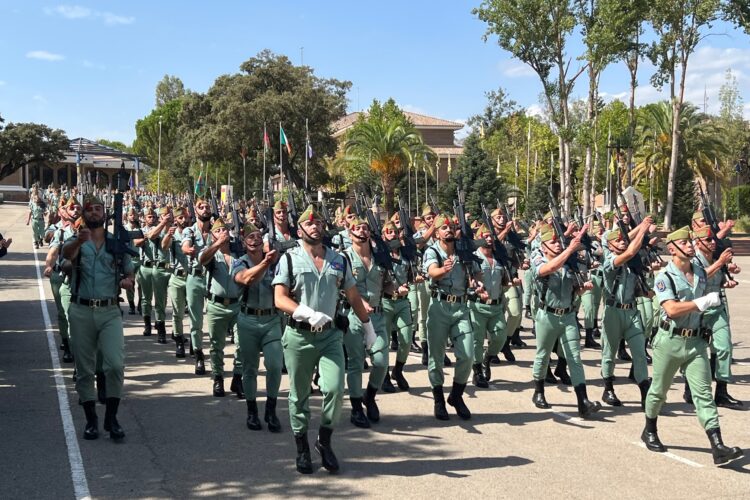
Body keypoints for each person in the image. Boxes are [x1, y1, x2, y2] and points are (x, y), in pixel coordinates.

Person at [273, 204, 374, 474]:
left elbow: (352, 296)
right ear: (300, 229)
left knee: (334, 389)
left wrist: (368, 326)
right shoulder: (290, 259)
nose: (315, 226)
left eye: (318, 223)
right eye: (310, 223)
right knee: (299, 395)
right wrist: (304, 312)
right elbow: (280, 298)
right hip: (299, 337)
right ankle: (302, 447)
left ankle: (324, 441)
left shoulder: (338, 260)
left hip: (329, 336)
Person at [641, 226, 742, 465]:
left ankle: (718, 447)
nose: (690, 245)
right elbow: (671, 309)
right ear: (673, 250)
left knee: (704, 394)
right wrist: (701, 302)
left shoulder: (698, 270)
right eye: (685, 243)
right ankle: (650, 429)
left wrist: (723, 282)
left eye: (690, 242)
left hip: (696, 341)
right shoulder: (664, 277)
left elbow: (709, 277)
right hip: (670, 341)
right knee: (658, 391)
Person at [62, 194, 135, 441]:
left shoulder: (116, 243)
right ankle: (91, 420)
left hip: (109, 311)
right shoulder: (76, 241)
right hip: (81, 310)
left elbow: (130, 272)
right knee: (84, 369)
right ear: (83, 214)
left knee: (114, 364)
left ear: (105, 213)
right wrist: (78, 243)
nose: (94, 212)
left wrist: (128, 281)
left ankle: (111, 418)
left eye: (98, 209)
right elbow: (65, 257)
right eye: (89, 209)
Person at [529, 224, 602, 418]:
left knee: (575, 358)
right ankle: (539, 391)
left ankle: (583, 401)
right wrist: (570, 248)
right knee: (543, 355)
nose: (557, 245)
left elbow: (573, 288)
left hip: (568, 316)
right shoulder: (538, 258)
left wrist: (583, 288)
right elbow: (549, 269)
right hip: (547, 316)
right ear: (543, 246)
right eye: (552, 242)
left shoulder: (569, 263)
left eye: (558, 242)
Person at [422, 213, 485, 421]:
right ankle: (438, 399)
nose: (448, 230)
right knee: (436, 356)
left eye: (451, 227)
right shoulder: (432, 251)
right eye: (444, 228)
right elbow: (431, 271)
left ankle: (456, 396)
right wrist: (443, 269)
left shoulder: (464, 251)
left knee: (467, 354)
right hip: (439, 306)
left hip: (461, 306)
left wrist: (478, 283)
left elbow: (476, 272)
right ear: (437, 233)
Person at [342, 216, 396, 428]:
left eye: (365, 228)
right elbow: (339, 286)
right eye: (358, 228)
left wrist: (396, 290)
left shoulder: (380, 256)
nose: (362, 231)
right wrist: (359, 301)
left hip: (378, 316)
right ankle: (356, 409)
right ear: (350, 233)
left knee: (381, 362)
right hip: (354, 317)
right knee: (355, 363)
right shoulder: (344, 258)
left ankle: (370, 396)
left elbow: (388, 283)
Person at [598, 219, 654, 408]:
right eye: (619, 240)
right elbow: (630, 251)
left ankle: (645, 392)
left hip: (632, 311)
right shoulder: (609, 261)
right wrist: (642, 231)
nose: (623, 242)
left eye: (625, 239)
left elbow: (637, 287)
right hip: (613, 313)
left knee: (639, 352)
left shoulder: (633, 264)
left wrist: (646, 291)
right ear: (610, 245)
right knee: (609, 352)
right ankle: (608, 389)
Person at [232, 222, 283, 432]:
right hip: (248, 320)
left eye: (257, 237)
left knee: (274, 366)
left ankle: (270, 410)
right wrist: (266, 263)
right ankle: (252, 412)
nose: (254, 240)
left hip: (271, 320)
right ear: (244, 243)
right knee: (250, 368)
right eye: (249, 237)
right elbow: (246, 278)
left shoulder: (276, 263)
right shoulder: (239, 262)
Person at [690, 226, 742, 409]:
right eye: (709, 240)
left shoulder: (715, 257)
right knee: (695, 350)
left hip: (716, 309)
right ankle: (690, 387)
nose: (713, 243)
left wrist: (727, 280)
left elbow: (717, 279)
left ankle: (721, 391)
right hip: (698, 310)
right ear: (698, 242)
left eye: (713, 240)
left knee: (724, 347)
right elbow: (699, 278)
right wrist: (720, 263)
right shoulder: (692, 260)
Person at [198, 219, 243, 397]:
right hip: (217, 305)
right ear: (212, 235)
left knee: (243, 344)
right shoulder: (211, 253)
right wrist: (217, 243)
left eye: (225, 230)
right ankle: (218, 377)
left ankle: (237, 378)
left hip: (237, 305)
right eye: (219, 231)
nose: (223, 233)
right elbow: (202, 259)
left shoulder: (238, 253)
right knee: (217, 345)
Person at [44, 197, 82, 363]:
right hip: (60, 276)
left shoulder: (86, 229)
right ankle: (67, 345)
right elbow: (51, 251)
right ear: (63, 211)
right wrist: (49, 266)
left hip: (80, 276)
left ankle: (78, 346)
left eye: (78, 208)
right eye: (71, 208)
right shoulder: (59, 231)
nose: (75, 211)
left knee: (78, 314)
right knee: (63, 313)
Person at [381, 221, 413, 391]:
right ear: (383, 235)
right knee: (384, 342)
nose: (393, 234)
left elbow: (410, 273)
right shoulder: (380, 254)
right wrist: (393, 288)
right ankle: (384, 374)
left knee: (407, 339)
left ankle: (398, 371)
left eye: (395, 232)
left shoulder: (405, 254)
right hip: (385, 302)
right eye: (389, 232)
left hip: (402, 302)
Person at [182, 198, 212, 375]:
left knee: (214, 318)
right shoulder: (190, 230)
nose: (205, 209)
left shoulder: (216, 230)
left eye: (207, 207)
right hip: (195, 278)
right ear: (195, 210)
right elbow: (185, 245)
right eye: (201, 207)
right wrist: (188, 249)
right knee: (196, 319)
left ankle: (215, 355)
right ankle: (199, 355)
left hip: (213, 278)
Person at [162, 207, 189, 358]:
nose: (183, 220)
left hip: (192, 277)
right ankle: (178, 340)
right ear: (176, 220)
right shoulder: (173, 233)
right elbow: (164, 246)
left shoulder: (191, 232)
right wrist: (168, 235)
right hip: (177, 278)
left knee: (194, 312)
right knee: (177, 312)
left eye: (185, 217)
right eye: (180, 218)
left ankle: (194, 343)